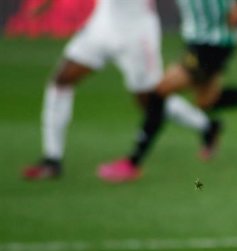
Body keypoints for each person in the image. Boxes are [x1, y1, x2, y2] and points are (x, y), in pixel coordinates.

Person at [97, 0, 237, 182]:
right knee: (208, 101)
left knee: (159, 93)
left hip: (211, 42)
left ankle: (133, 163)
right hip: (199, 39)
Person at [22, 0, 219, 181]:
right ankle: (52, 159)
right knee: (61, 81)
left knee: (150, 101)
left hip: (136, 33)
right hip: (102, 25)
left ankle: (206, 125)